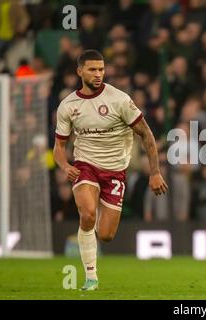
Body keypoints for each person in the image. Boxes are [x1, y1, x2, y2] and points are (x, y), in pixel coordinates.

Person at [53, 49, 168, 291]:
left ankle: (88, 236)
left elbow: (147, 134)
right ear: (79, 71)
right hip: (85, 165)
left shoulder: (119, 100)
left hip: (115, 171)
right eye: (92, 69)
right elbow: (59, 146)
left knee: (105, 235)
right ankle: (91, 277)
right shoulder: (68, 106)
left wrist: (155, 172)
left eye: (101, 70)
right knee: (87, 214)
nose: (98, 74)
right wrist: (65, 165)